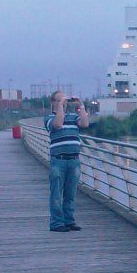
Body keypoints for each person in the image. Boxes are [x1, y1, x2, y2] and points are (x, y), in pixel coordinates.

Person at [44, 91, 90, 232]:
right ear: (53, 102)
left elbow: (85, 123)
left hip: (74, 160)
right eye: (59, 100)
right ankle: (57, 223)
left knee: (70, 194)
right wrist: (60, 108)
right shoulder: (49, 118)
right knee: (56, 194)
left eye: (64, 100)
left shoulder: (73, 117)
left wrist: (81, 105)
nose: (63, 103)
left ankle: (69, 221)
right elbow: (58, 124)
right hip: (58, 161)